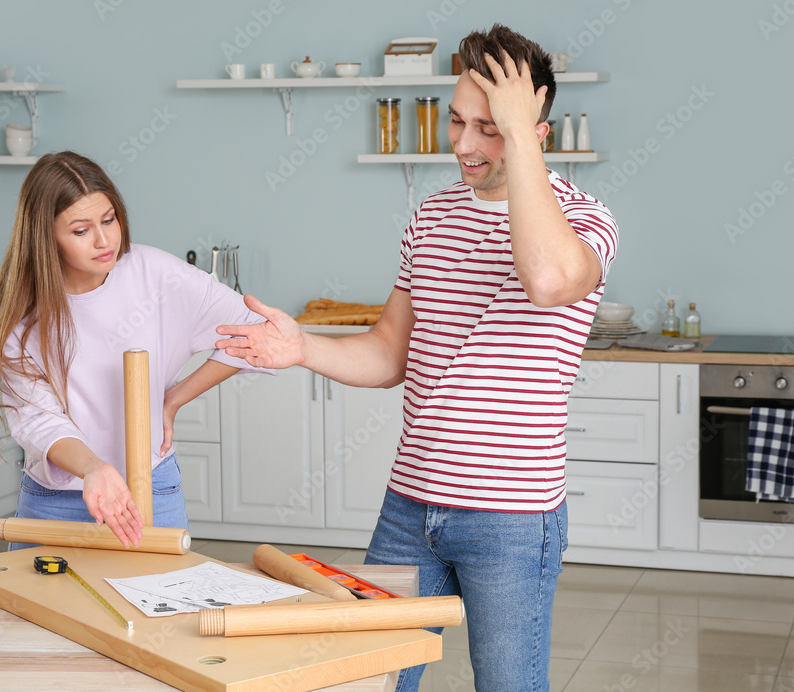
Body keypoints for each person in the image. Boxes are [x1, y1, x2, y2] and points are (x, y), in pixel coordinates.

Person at [216, 25, 618, 692]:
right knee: (368, 680)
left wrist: (519, 139)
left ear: (535, 131)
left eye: (489, 128)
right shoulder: (430, 219)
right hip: (410, 507)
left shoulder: (585, 220)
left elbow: (547, 282)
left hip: (511, 517)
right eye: (458, 121)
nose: (461, 144)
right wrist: (302, 349)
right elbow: (388, 351)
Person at [0, 151, 268, 550]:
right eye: (81, 231)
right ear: (45, 238)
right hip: (55, 502)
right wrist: (95, 469)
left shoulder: (156, 274)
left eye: (109, 220)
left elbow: (256, 329)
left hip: (148, 487)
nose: (104, 241)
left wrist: (172, 399)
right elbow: (38, 421)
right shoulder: (18, 317)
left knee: (162, 607)